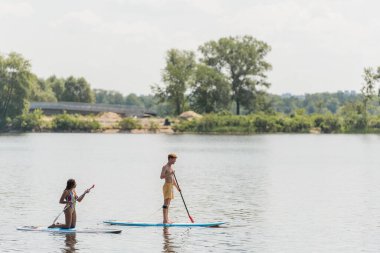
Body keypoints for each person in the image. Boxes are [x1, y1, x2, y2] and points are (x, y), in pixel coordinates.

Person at [160, 153, 181, 224]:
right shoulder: (165, 167)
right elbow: (161, 176)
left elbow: (173, 180)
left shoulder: (171, 168)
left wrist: (177, 188)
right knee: (166, 203)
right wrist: (170, 174)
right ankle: (165, 220)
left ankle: (167, 219)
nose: (175, 161)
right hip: (167, 186)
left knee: (168, 203)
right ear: (170, 159)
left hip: (171, 186)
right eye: (174, 160)